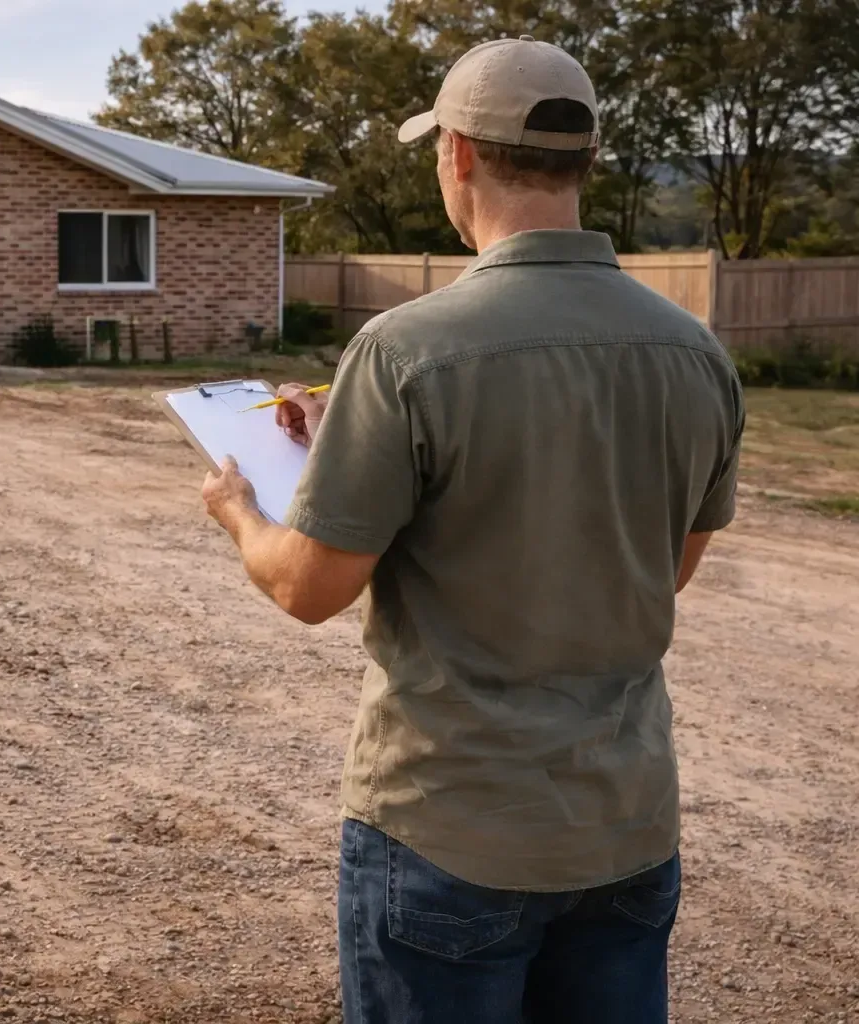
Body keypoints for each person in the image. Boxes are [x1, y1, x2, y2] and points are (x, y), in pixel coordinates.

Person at [199, 35, 744, 1024]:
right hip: (625, 830)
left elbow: (308, 588)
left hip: (450, 832)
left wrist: (241, 506)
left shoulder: (406, 350)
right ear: (582, 164)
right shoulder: (696, 353)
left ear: (457, 156)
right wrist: (347, 446)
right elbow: (665, 569)